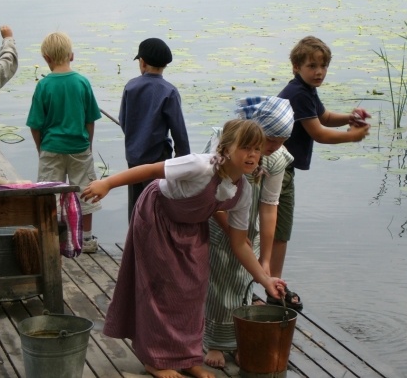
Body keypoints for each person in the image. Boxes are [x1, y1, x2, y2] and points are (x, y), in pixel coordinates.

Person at [81, 119, 286, 378]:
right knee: (161, 287)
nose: (253, 154)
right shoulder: (200, 165)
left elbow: (239, 244)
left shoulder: (243, 191)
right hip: (157, 215)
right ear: (225, 148)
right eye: (245, 147)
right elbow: (151, 170)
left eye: (257, 149)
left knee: (194, 289)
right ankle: (155, 360)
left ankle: (188, 358)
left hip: (192, 226)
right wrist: (108, 183)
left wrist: (266, 280)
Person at [272, 35, 371, 308]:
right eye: (312, 66)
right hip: (279, 172)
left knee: (276, 232)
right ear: (296, 66)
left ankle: (271, 283)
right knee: (279, 233)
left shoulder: (303, 91)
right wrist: (351, 137)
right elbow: (319, 133)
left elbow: (324, 117)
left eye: (323, 66)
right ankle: (274, 288)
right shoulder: (299, 94)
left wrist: (348, 118)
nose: (319, 72)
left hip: (280, 169)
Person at [203, 96, 295, 369]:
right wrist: (231, 231)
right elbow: (209, 194)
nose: (271, 148)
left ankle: (238, 340)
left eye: (279, 143)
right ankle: (215, 342)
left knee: (245, 279)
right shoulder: (224, 141)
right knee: (220, 278)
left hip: (248, 221)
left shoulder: (276, 158)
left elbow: (269, 207)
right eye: (270, 141)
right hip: (219, 215)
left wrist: (265, 260)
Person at [26, 31, 102, 253]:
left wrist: (41, 148)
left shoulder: (44, 86)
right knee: (85, 191)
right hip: (80, 147)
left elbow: (35, 124)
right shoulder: (82, 82)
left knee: (50, 193)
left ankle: (50, 237)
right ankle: (86, 239)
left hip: (51, 147)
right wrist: (89, 145)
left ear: (46, 58)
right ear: (72, 56)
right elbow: (90, 120)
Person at [119, 38, 190, 221]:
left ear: (142, 63)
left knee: (135, 206)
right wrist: (183, 158)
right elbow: (178, 131)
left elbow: (123, 121)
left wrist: (135, 137)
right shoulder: (169, 91)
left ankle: (134, 243)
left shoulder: (130, 87)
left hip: (133, 157)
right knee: (157, 205)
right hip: (158, 159)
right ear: (165, 65)